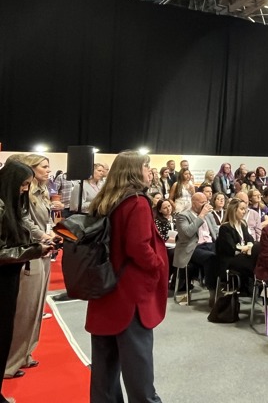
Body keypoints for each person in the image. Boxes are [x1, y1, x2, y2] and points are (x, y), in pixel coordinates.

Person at [85, 151, 168, 403]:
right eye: (146, 166)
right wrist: (159, 264)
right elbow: (139, 247)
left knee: (104, 366)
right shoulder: (136, 202)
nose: (150, 171)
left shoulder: (104, 199)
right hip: (130, 293)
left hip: (104, 288)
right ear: (134, 170)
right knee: (138, 364)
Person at [0, 161, 51, 403]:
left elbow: (21, 230)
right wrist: (33, 251)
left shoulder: (11, 204)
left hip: (10, 276)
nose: (24, 189)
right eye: (22, 184)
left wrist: (36, 246)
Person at [216, 198, 259, 296]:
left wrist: (246, 247)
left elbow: (250, 240)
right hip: (230, 260)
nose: (244, 212)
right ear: (234, 210)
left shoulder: (243, 224)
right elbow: (231, 248)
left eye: (245, 209)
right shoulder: (225, 228)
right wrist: (246, 247)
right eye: (242, 209)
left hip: (243, 256)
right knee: (255, 265)